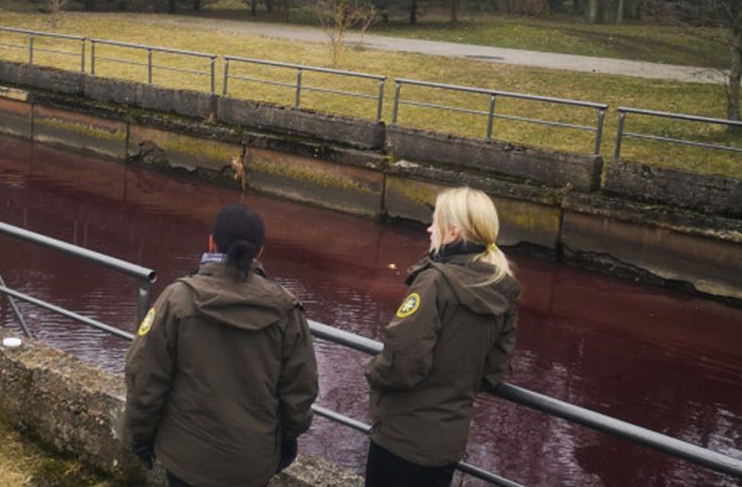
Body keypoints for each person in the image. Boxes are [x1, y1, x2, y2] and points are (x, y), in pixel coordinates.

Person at [124, 204, 319, 487]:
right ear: (259, 252)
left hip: (186, 459)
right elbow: (300, 390)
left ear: (211, 241)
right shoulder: (286, 310)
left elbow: (145, 377)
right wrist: (287, 439)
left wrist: (140, 435)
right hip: (251, 463)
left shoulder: (177, 300)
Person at [363, 186, 520, 487]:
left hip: (402, 437)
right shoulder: (503, 288)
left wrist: (371, 371)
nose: (429, 228)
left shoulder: (433, 282)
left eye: (435, 221)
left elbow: (402, 362)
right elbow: (494, 369)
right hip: (447, 441)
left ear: (453, 233)